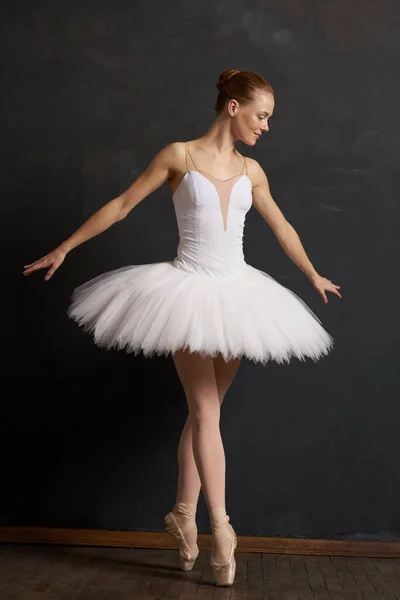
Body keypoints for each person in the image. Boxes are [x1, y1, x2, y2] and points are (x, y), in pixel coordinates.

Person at [23, 69, 342, 586]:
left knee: (202, 421)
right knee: (205, 410)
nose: (266, 127)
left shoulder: (252, 171)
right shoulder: (179, 156)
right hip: (186, 294)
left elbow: (282, 226)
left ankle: (181, 514)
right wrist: (64, 247)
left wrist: (311, 275)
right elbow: (123, 205)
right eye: (262, 115)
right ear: (233, 106)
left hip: (238, 297)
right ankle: (222, 531)